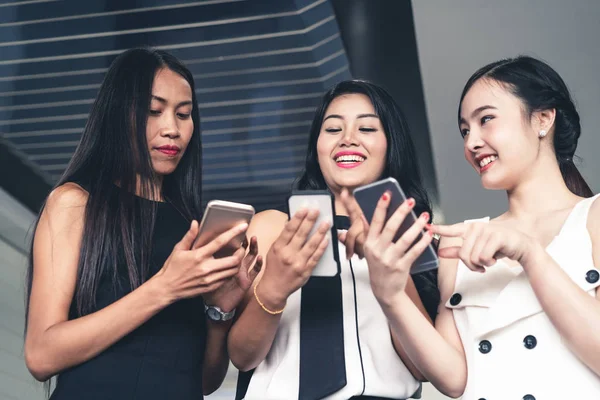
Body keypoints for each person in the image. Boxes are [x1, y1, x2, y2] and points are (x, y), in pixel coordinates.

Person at [341, 56, 600, 400]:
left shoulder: (593, 216)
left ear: (543, 118)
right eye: (465, 131)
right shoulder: (460, 244)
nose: (471, 143)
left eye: (486, 120)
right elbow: (456, 379)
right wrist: (391, 297)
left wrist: (530, 255)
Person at [24, 47, 261, 400]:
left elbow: (205, 382)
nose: (172, 129)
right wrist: (165, 287)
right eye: (154, 111)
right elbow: (41, 355)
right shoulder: (75, 203)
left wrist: (219, 311)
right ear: (119, 114)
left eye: (184, 114)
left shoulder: (192, 226)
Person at [228, 80, 440, 400]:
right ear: (317, 147)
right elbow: (242, 356)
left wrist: (389, 267)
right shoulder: (273, 228)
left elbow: (422, 369)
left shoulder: (414, 241)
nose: (348, 139)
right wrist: (275, 287)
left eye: (366, 128)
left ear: (391, 144)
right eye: (333, 129)